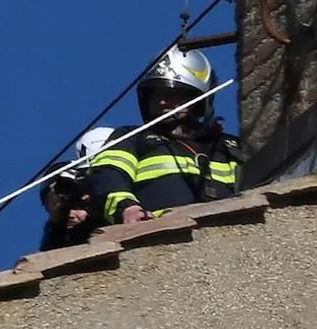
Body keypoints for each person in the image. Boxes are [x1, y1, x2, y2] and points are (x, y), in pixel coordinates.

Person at [88, 47, 243, 225]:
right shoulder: (133, 137)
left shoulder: (228, 146)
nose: (161, 102)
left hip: (227, 236)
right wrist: (127, 208)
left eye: (171, 93)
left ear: (197, 99)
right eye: (156, 95)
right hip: (160, 236)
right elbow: (108, 175)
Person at [38, 127, 111, 251]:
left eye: (79, 207)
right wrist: (57, 220)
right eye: (67, 210)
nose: (71, 215)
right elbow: (52, 250)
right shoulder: (57, 238)